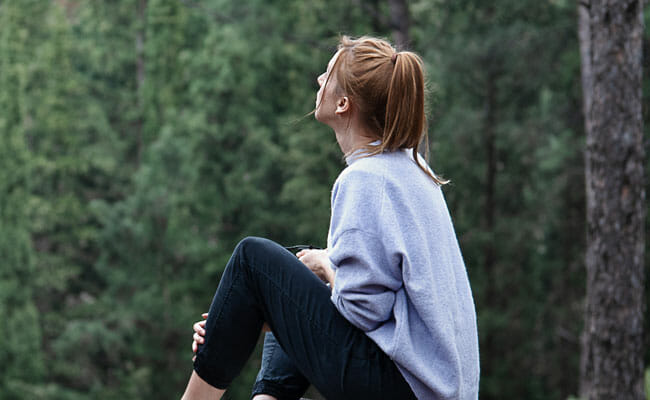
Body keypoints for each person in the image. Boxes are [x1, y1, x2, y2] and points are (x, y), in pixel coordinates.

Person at [181, 36, 480, 400]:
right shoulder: (414, 170)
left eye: (327, 74)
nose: (319, 80)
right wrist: (254, 313)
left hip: (404, 387)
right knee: (296, 267)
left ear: (343, 103)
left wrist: (320, 267)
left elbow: (363, 311)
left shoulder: (365, 180)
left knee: (253, 260)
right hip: (432, 387)